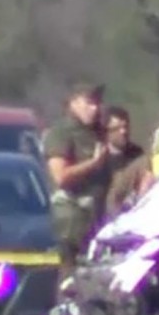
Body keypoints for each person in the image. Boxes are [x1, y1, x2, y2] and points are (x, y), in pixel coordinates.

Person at [43, 82, 112, 285]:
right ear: (74, 102)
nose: (95, 108)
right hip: (71, 223)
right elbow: (60, 176)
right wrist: (93, 163)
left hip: (96, 220)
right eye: (89, 103)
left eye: (97, 103)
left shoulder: (98, 132)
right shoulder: (62, 132)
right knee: (69, 283)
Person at [103, 106, 153, 215]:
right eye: (117, 128)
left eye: (125, 127)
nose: (123, 131)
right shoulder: (101, 158)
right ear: (106, 131)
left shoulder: (137, 153)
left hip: (134, 204)